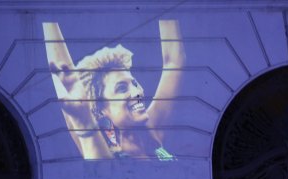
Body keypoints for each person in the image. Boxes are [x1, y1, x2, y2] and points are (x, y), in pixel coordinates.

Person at [42, 20, 185, 160]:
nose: (137, 92)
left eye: (134, 83)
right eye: (122, 88)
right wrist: (47, 15)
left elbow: (174, 61)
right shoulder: (98, 147)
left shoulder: (152, 128)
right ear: (102, 108)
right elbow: (62, 74)